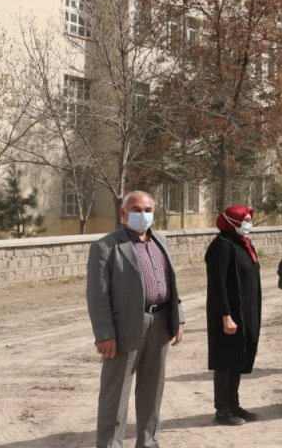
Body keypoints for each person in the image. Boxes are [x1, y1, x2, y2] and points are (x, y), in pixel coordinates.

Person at [87, 190, 185, 448]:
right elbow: (97, 296)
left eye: (148, 210)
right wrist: (105, 334)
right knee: (115, 394)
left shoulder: (160, 241)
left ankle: (149, 442)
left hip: (161, 322)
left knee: (152, 392)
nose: (143, 215)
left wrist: (179, 319)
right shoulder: (105, 247)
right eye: (137, 210)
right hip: (125, 328)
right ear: (123, 213)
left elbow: (171, 282)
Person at [205, 205, 262, 426]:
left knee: (237, 358)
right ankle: (222, 409)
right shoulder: (221, 246)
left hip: (245, 312)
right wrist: (226, 315)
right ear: (232, 221)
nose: (248, 223)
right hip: (227, 313)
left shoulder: (242, 243)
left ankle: (234, 404)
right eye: (244, 219)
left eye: (249, 219)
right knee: (225, 360)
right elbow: (217, 285)